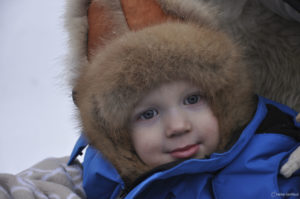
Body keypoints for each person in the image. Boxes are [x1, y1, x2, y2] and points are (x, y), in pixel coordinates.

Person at [67, 22, 300, 199]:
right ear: (119, 135)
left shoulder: (277, 165)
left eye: (192, 99)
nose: (178, 126)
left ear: (225, 101)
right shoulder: (102, 181)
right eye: (148, 114)